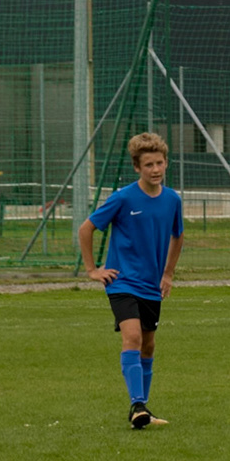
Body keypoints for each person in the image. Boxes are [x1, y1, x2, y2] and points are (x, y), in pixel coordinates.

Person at [77, 132, 183, 429]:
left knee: (148, 345)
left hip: (151, 285)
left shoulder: (173, 199)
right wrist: (92, 270)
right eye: (148, 164)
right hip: (122, 282)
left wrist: (168, 273)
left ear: (166, 164)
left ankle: (142, 409)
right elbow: (86, 229)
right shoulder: (123, 198)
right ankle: (136, 404)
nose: (155, 169)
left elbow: (179, 234)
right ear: (137, 168)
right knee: (133, 338)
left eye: (159, 163)